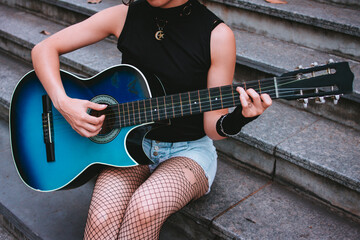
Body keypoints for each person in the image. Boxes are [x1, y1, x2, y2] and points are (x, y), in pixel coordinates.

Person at [31, 0, 272, 239]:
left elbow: (213, 128)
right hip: (129, 143)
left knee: (144, 208)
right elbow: (43, 49)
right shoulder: (123, 15)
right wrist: (63, 103)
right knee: (101, 217)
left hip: (188, 152)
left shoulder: (217, 35)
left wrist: (239, 118)